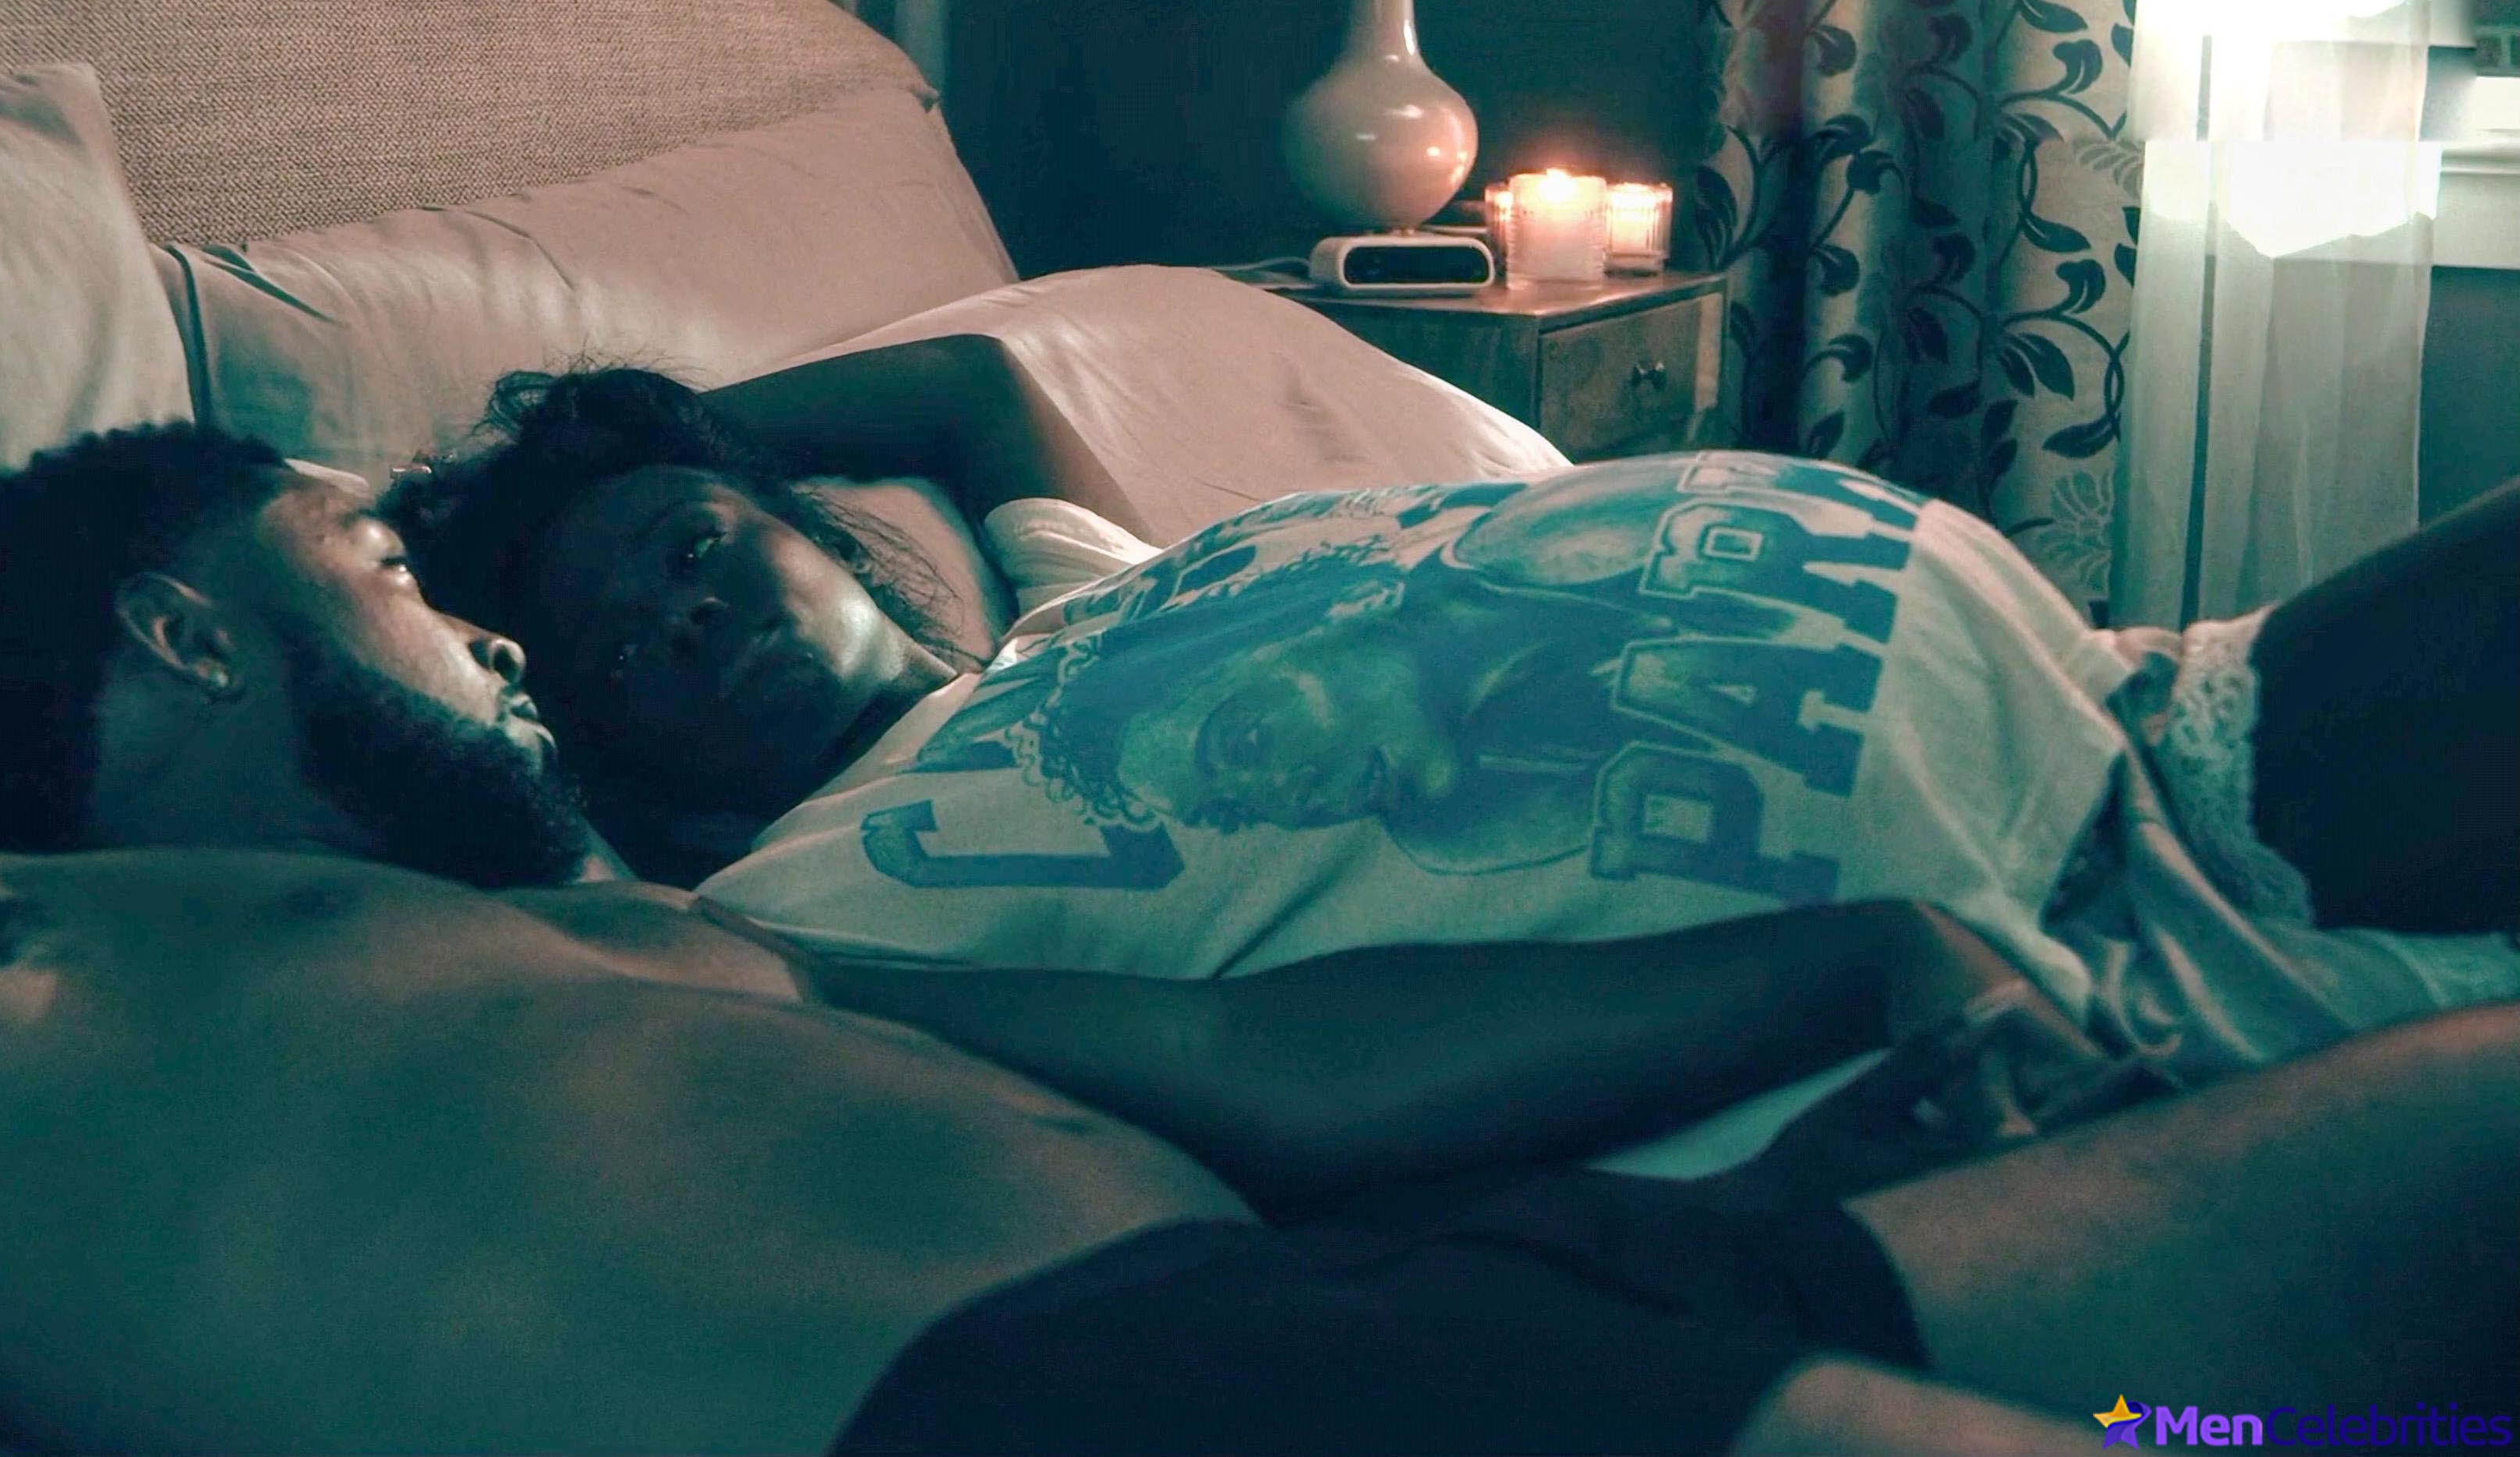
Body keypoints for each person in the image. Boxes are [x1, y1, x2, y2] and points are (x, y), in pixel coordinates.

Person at [0, 419, 2511, 1453]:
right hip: (1121, 1416)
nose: (492, 635)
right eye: (390, 565)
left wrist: (1870, 961)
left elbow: (1270, 1066)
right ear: (185, 630)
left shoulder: (653, 954)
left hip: (1433, 1303)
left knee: (2421, 1282)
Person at [399, 361, 2519, 1096]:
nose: (683, 616)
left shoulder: (1073, 592)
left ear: (810, 525)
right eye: (621, 649)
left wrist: (615, 442)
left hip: (2132, 703)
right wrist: (448, 567)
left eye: (689, 548)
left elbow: (968, 383)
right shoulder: (792, 914)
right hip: (2052, 965)